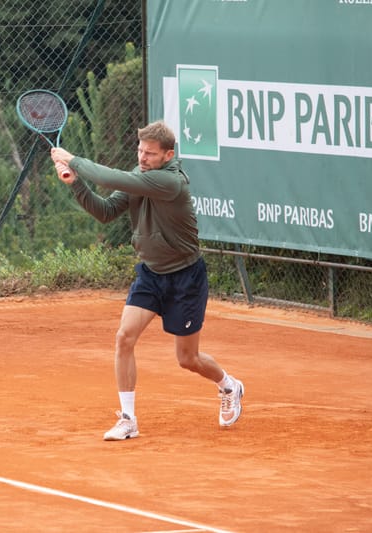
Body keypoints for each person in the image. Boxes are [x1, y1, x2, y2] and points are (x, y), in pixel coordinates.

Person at [50, 120, 244, 441]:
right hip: (151, 274)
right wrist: (76, 184)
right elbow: (106, 210)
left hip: (185, 278)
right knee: (124, 337)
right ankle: (128, 419)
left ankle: (228, 385)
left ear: (168, 155)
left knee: (188, 359)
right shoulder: (140, 176)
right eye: (140, 150)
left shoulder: (171, 183)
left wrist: (74, 160)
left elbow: (107, 177)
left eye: (150, 154)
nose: (142, 157)